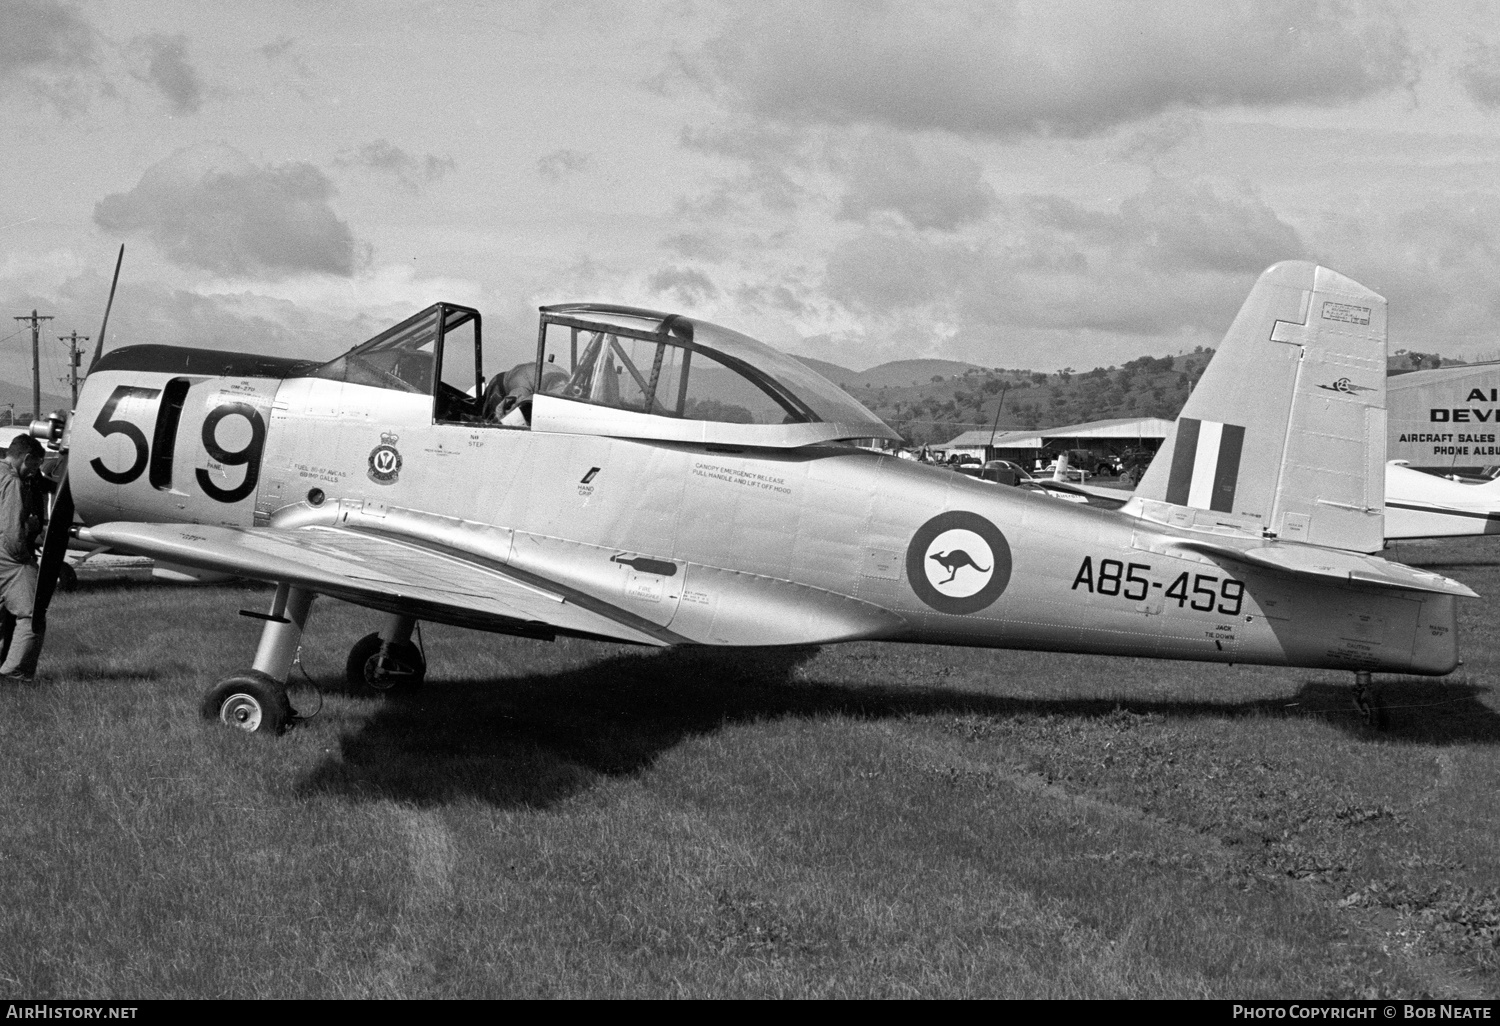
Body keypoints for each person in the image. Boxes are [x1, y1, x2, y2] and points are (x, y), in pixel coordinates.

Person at [0, 435, 45, 683]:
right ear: (26, 458)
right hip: (10, 555)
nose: (33, 473)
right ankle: (15, 673)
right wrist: (24, 557)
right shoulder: (12, 480)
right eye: (34, 466)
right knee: (32, 613)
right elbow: (11, 529)